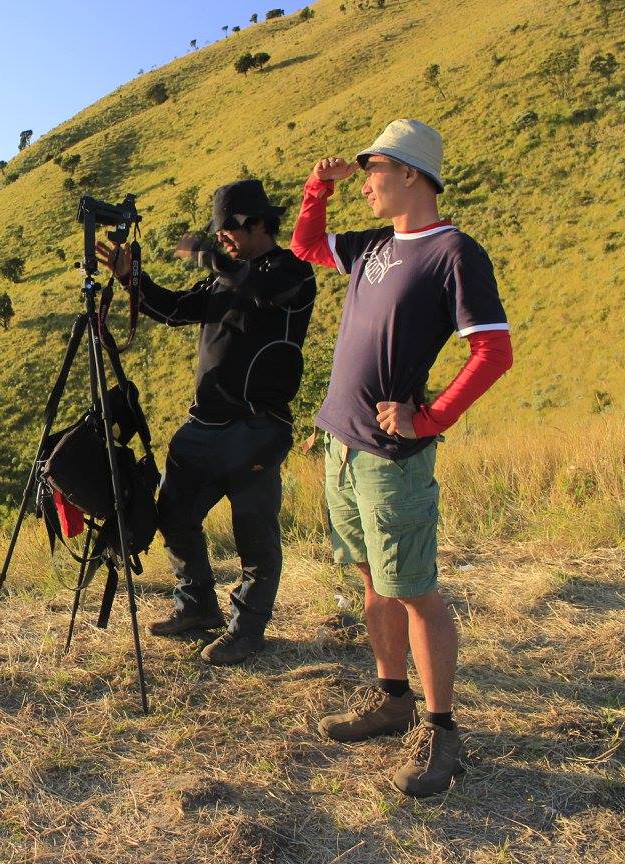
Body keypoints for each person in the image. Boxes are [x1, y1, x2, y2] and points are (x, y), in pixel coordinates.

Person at [290, 119, 513, 796]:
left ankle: (443, 734)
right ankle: (393, 702)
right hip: (343, 445)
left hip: (392, 456)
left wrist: (431, 417)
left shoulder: (454, 253)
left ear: (411, 172)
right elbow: (304, 246)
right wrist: (315, 189)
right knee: (373, 581)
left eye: (372, 169)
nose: (364, 183)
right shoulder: (372, 246)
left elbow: (493, 351)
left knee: (414, 590)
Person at [96, 179, 316, 665]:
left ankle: (247, 630)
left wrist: (210, 257)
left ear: (258, 223)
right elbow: (174, 309)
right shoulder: (225, 276)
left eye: (228, 230)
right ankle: (197, 608)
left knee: (254, 536)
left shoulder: (291, 272)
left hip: (257, 428)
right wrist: (133, 280)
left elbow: (263, 290)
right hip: (203, 426)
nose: (222, 239)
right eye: (218, 234)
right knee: (174, 516)